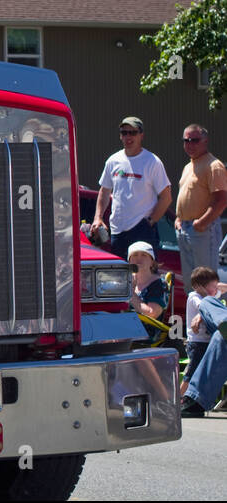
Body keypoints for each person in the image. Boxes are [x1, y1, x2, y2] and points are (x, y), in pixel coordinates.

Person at [90, 117, 172, 262]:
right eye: (124, 132)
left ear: (141, 135)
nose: (128, 137)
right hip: (117, 230)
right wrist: (98, 217)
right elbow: (104, 191)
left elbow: (166, 198)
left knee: (143, 275)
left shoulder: (152, 161)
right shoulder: (113, 161)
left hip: (142, 230)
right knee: (121, 278)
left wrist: (150, 222)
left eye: (132, 133)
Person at [175, 123, 226, 296]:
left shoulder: (214, 165)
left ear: (205, 141)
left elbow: (221, 200)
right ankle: (194, 320)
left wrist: (202, 223)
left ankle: (211, 321)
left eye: (194, 140)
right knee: (192, 283)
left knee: (206, 281)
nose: (190, 144)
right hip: (185, 228)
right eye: (186, 140)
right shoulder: (188, 166)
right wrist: (178, 219)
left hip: (202, 229)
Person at [181, 266, 221, 397]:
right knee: (191, 372)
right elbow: (203, 306)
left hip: (206, 341)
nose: (216, 290)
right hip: (197, 343)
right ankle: (178, 398)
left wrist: (216, 289)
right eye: (212, 287)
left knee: (202, 372)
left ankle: (192, 398)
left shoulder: (208, 295)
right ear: (199, 287)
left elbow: (221, 289)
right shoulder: (194, 297)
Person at [127, 241, 168, 343]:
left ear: (152, 261)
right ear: (129, 261)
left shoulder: (159, 284)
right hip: (125, 330)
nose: (138, 258)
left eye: (144, 255)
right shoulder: (125, 281)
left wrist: (130, 293)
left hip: (147, 335)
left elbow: (152, 313)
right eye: (135, 255)